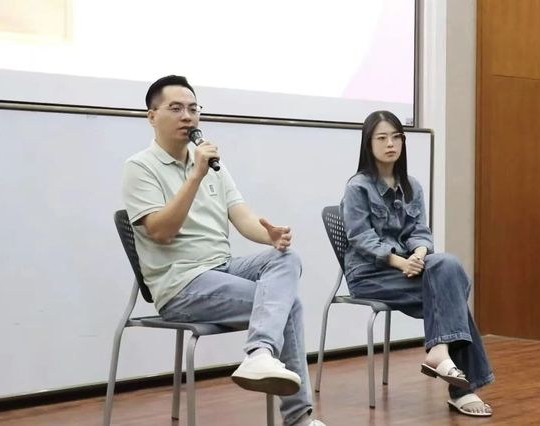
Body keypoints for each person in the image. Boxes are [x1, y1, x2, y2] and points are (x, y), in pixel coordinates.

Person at [121, 75, 324, 426]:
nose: (188, 116)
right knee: (287, 303)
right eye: (176, 108)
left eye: (193, 109)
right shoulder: (140, 167)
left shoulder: (213, 165)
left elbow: (242, 216)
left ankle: (260, 354)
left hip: (222, 267)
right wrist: (195, 176)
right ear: (151, 116)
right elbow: (162, 231)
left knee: (286, 259)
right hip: (181, 284)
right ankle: (295, 414)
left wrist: (268, 235)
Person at [340, 110, 494, 417]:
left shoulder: (412, 185)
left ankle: (439, 351)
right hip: (369, 274)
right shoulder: (358, 187)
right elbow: (361, 238)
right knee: (451, 292)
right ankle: (462, 390)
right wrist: (401, 263)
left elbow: (420, 232)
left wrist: (420, 255)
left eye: (396, 137)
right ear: (368, 144)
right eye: (382, 138)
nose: (390, 144)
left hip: (408, 268)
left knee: (446, 264)